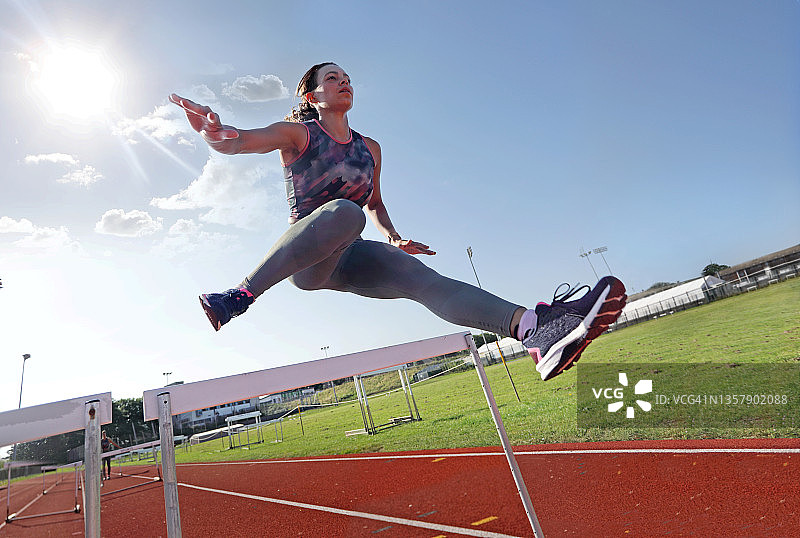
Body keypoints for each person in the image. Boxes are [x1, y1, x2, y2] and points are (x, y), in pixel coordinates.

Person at [170, 62, 627, 381]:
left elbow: (375, 204)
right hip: (308, 258)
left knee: (421, 279)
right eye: (332, 79)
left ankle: (535, 330)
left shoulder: (370, 148)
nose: (344, 83)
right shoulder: (299, 133)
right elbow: (239, 141)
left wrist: (394, 237)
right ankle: (239, 296)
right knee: (344, 214)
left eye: (348, 78)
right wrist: (215, 132)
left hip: (351, 253)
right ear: (312, 96)